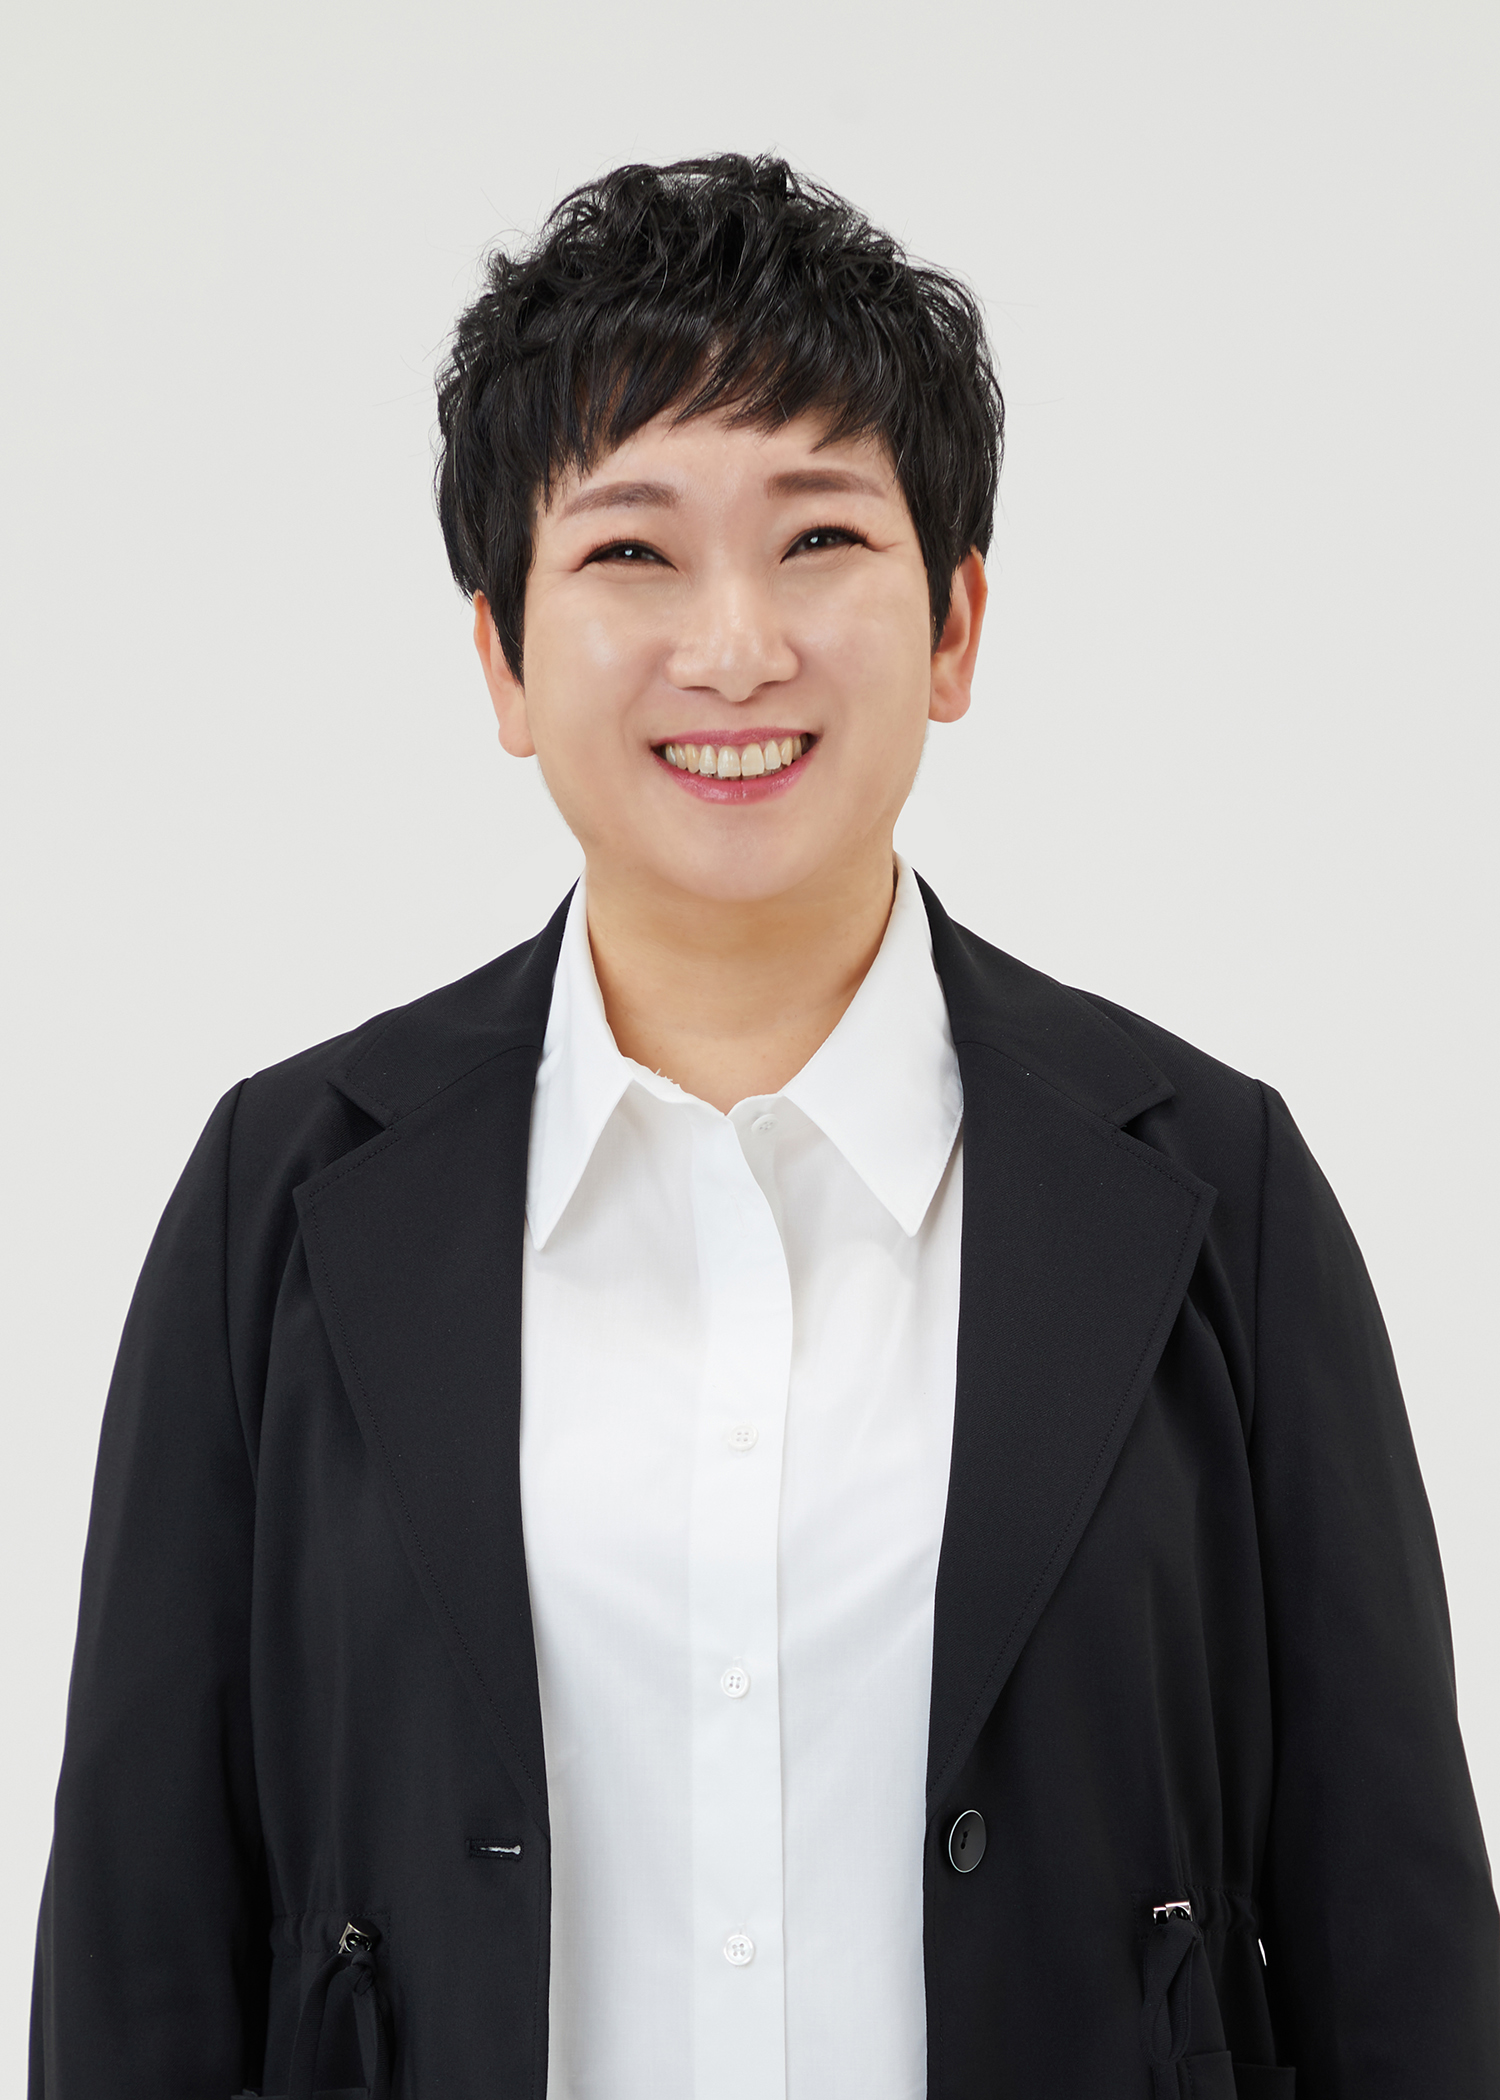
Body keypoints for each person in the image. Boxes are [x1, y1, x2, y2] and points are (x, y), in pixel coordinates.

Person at [30, 153, 1499, 2100]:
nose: (734, 646)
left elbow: (1401, 1952)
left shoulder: (1213, 1189)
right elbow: (137, 1950)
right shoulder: (281, 1201)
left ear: (956, 625)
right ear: (502, 656)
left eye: (819, 537)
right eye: (631, 553)